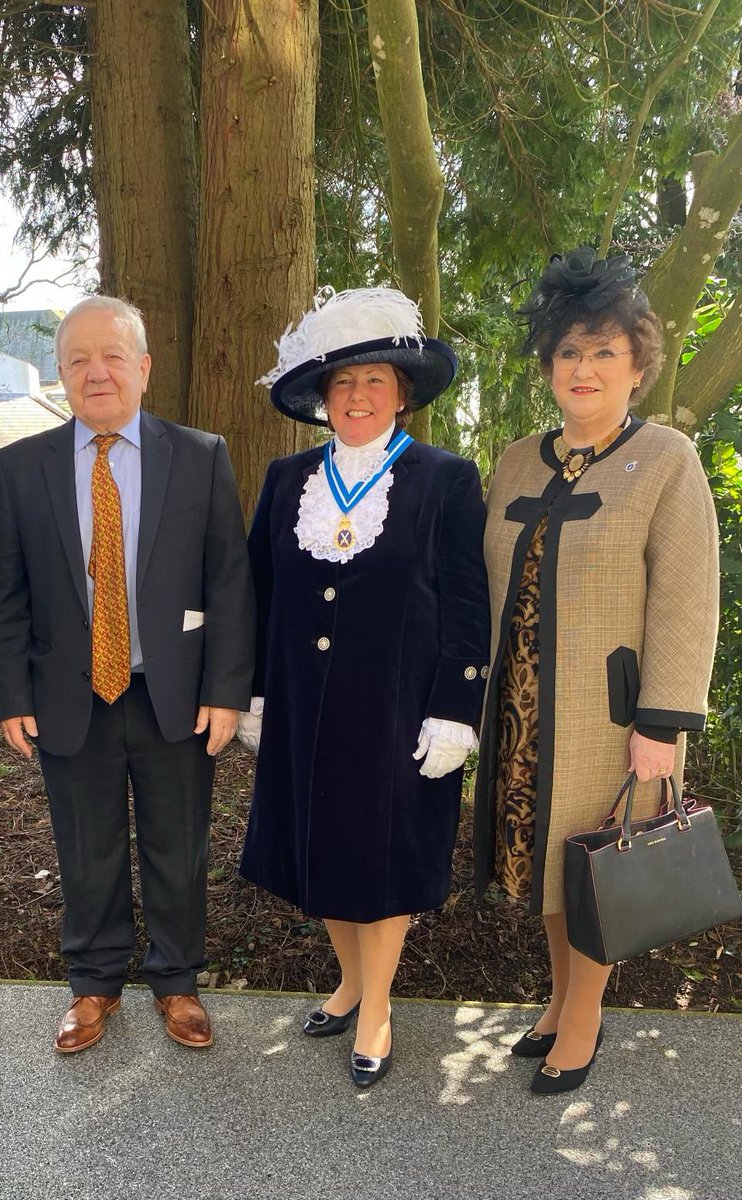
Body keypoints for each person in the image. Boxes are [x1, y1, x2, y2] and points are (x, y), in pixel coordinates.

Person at [474, 246, 720, 1094]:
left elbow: (688, 603)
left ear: (638, 365)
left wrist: (661, 724)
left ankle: (584, 1018)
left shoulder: (667, 460)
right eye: (569, 351)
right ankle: (559, 997)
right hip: (519, 712)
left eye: (605, 351)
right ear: (549, 365)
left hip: (612, 719)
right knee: (548, 864)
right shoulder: (514, 459)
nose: (584, 368)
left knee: (595, 870)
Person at [0, 296, 254, 1054]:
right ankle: (94, 982)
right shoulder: (20, 467)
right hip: (69, 696)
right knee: (85, 845)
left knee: (179, 844)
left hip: (172, 694)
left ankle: (176, 981)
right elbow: (3, 590)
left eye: (111, 357)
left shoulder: (199, 455)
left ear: (143, 367)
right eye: (77, 360)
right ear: (62, 374)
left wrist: (226, 689)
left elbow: (229, 580)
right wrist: (8, 692)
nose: (95, 372)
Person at [237, 288, 490, 1087]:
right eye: (341, 384)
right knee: (325, 854)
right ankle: (349, 980)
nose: (356, 396)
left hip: (398, 711)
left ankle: (376, 1004)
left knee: (381, 863)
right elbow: (257, 594)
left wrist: (457, 708)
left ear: (403, 393)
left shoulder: (444, 478)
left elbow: (465, 602)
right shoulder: (286, 481)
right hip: (304, 709)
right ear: (320, 399)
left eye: (373, 381)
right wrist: (253, 693)